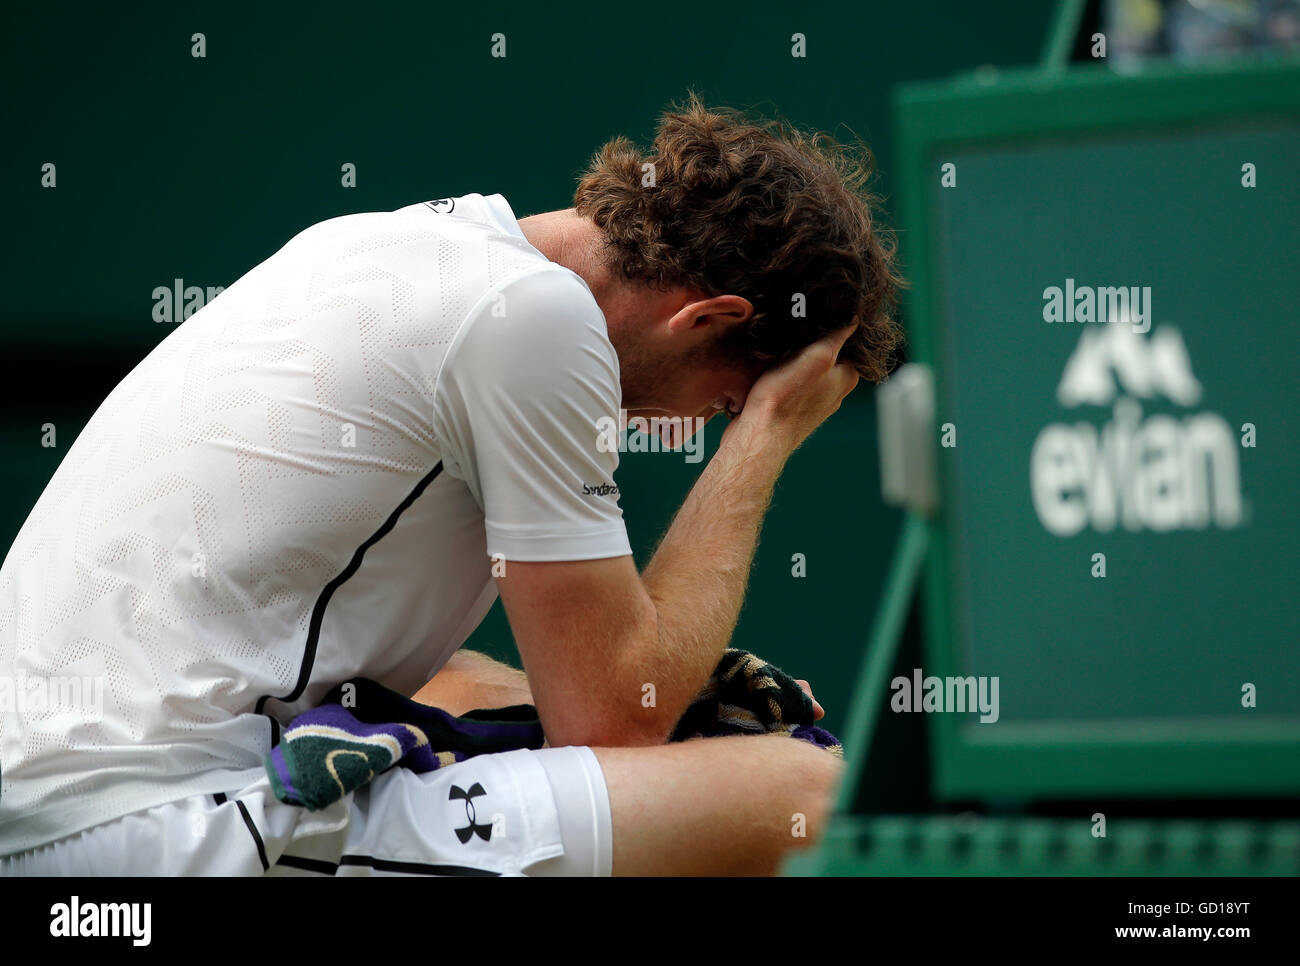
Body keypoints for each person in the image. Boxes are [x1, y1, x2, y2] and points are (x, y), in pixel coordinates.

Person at [0, 95, 901, 876]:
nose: (705, 426)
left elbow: (523, 696)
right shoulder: (537, 322)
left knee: (468, 688)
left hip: (47, 812)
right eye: (731, 403)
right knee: (804, 792)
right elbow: (619, 721)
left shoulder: (390, 241)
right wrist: (770, 438)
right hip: (138, 843)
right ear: (708, 319)